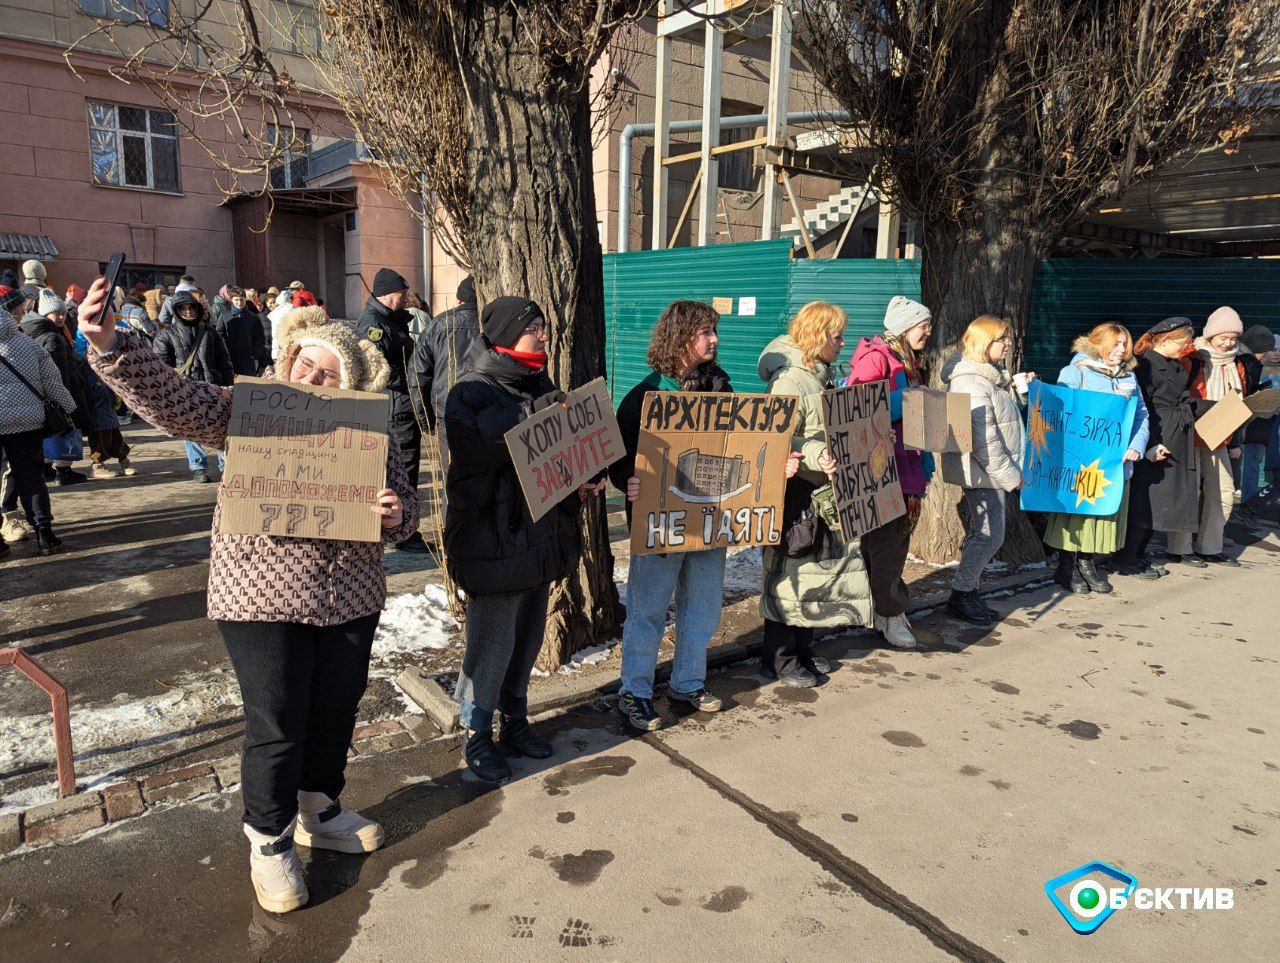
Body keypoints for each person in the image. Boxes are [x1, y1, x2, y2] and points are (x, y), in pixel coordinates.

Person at [78, 277, 417, 915]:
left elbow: (408, 508)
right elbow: (174, 400)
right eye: (307, 364)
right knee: (279, 720)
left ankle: (321, 809)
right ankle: (269, 840)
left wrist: (395, 513)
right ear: (288, 362)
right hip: (260, 594)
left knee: (336, 708)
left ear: (349, 383)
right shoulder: (250, 411)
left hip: (350, 594)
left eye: (330, 371)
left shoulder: (370, 434)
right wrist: (111, 347)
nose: (316, 379)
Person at [444, 296, 588, 781]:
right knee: (493, 641)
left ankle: (515, 721)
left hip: (540, 532)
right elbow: (476, 450)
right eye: (535, 329)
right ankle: (476, 733)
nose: (544, 336)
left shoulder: (540, 383)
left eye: (545, 328)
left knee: (527, 636)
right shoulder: (470, 392)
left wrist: (583, 472)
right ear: (506, 335)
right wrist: (536, 414)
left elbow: (559, 449)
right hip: (494, 538)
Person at [610, 301, 736, 731]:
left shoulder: (721, 387)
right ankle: (635, 691)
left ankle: (688, 682)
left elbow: (740, 445)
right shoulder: (644, 396)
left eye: (714, 332)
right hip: (660, 521)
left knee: (701, 606)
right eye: (705, 332)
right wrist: (625, 478)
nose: (714, 340)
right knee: (648, 608)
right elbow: (619, 455)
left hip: (709, 519)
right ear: (680, 337)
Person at [756, 302, 865, 686]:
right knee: (789, 576)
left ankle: (802, 652)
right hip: (796, 492)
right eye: (837, 337)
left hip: (820, 491)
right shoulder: (789, 381)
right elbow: (775, 437)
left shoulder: (820, 375)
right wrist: (818, 452)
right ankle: (779, 659)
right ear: (818, 337)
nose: (842, 343)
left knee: (814, 576)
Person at [845, 296, 936, 649]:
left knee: (893, 544)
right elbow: (856, 404)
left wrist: (926, 463)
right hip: (883, 469)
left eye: (928, 325)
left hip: (906, 468)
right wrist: (911, 400)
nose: (928, 332)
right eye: (922, 325)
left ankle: (882, 607)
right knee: (887, 546)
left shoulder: (908, 362)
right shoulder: (876, 358)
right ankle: (888, 613)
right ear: (903, 326)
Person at [1043, 323, 1150, 593]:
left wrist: (1136, 445)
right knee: (1078, 513)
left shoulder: (1128, 376)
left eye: (1125, 344)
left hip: (1115, 461)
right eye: (1115, 344)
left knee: (1104, 512)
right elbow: (1061, 411)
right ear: (1098, 343)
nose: (1122, 350)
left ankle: (1087, 562)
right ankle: (1066, 565)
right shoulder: (1076, 371)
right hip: (1083, 460)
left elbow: (1141, 414)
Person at [941, 316, 1029, 623]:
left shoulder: (990, 377)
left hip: (989, 471)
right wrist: (1012, 477)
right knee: (990, 536)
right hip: (982, 471)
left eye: (1008, 337)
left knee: (983, 534)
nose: (1007, 343)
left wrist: (1018, 392)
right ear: (982, 342)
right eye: (1000, 338)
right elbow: (985, 442)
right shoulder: (971, 383)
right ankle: (962, 595)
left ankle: (967, 591)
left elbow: (1001, 421)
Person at [1165, 307, 1262, 565]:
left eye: (1233, 338)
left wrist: (1236, 442)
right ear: (1210, 335)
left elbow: (1239, 403)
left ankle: (1210, 547)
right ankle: (1180, 548)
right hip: (1189, 434)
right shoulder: (1191, 357)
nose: (1228, 343)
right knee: (1190, 491)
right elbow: (1175, 396)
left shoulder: (1239, 363)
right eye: (1223, 337)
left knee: (1224, 491)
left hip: (1221, 436)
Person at [1114, 318, 1199, 576]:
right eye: (1183, 342)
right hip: (1156, 438)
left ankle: (1137, 554)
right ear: (1166, 339)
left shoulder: (1175, 366)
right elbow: (1143, 409)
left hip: (1175, 437)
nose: (1186, 348)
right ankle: (1125, 558)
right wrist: (1150, 445)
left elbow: (1182, 399)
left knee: (1162, 504)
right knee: (1146, 501)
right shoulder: (1145, 366)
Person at [0, 291, 76, 554]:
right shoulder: (27, 344)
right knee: (31, 477)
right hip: (27, 422)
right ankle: (45, 534)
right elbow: (52, 383)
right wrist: (70, 411)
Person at [357, 268, 426, 552]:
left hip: (401, 402)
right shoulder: (373, 324)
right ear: (387, 294)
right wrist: (414, 379)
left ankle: (403, 528)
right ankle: (403, 534)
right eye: (401, 293)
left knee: (406, 465)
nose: (405, 298)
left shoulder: (389, 320)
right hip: (394, 404)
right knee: (403, 468)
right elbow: (377, 369)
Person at [153, 291, 234, 483]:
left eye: (191, 307)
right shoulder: (166, 334)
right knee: (191, 429)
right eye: (183, 308)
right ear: (176, 310)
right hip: (185, 390)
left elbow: (224, 360)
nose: (188, 311)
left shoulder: (210, 332)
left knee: (221, 427)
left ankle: (226, 466)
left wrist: (230, 385)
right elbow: (161, 366)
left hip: (214, 386)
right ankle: (198, 467)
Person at [18, 288, 89, 486]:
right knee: (65, 429)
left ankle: (47, 469)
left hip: (38, 392)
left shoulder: (30, 331)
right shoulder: (53, 338)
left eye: (63, 313)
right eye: (56, 313)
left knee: (48, 431)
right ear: (45, 313)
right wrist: (66, 399)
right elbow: (59, 372)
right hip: (61, 390)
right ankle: (64, 472)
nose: (61, 317)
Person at [412, 274, 480, 471]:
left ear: (459, 300)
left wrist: (426, 420)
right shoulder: (491, 323)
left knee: (452, 477)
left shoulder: (439, 324)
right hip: (487, 410)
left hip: (447, 410)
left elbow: (417, 374)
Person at [74, 321, 134, 479]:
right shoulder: (84, 360)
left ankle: (123, 459)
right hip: (95, 402)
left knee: (115, 433)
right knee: (98, 436)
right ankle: (97, 464)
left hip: (108, 401)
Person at [1239, 324, 1278, 513]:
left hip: (1273, 423)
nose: (1276, 354)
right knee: (1253, 462)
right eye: (1273, 350)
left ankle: (1265, 501)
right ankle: (1249, 502)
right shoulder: (1253, 367)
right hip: (1256, 422)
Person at [216, 286, 270, 377]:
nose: (239, 303)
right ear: (231, 300)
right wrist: (224, 351)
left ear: (245, 299)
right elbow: (219, 334)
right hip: (230, 358)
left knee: (248, 385)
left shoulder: (253, 317)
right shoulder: (225, 315)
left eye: (242, 300)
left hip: (248, 359)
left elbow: (260, 337)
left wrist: (255, 353)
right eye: (236, 300)